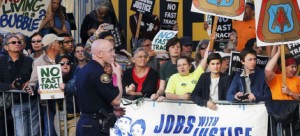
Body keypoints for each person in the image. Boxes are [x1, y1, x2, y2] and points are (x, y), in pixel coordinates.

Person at [76, 39, 125, 135]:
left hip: (85, 123)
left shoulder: (84, 70)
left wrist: (111, 111)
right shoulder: (98, 73)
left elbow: (93, 98)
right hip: (95, 126)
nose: (114, 54)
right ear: (99, 54)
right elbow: (116, 100)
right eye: (110, 50)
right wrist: (117, 75)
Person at [0, 33, 38, 136]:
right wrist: (11, 86)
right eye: (13, 42)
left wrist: (31, 82)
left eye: (19, 42)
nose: (17, 44)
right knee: (21, 133)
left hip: (32, 101)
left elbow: (37, 78)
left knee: (34, 133)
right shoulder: (1, 61)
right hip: (15, 103)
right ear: (6, 47)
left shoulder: (29, 60)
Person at [28, 33, 64, 136]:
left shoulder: (63, 59)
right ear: (53, 45)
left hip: (65, 102)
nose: (60, 45)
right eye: (58, 42)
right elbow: (32, 82)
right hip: (48, 103)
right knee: (50, 131)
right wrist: (36, 88)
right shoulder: (38, 62)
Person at [54, 54, 79, 136]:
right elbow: (39, 84)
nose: (65, 65)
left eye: (67, 63)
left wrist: (65, 87)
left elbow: (78, 88)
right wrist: (40, 89)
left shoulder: (76, 75)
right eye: (62, 63)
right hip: (59, 118)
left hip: (75, 117)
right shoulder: (52, 76)